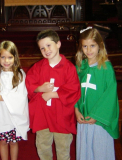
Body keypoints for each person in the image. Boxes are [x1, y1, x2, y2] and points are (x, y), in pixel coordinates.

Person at [25, 29, 81, 160]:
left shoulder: (69, 67)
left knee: (63, 147)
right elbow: (29, 85)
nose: (46, 50)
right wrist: (40, 88)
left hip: (61, 116)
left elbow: (74, 89)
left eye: (48, 45)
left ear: (58, 44)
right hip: (43, 115)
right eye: (42, 48)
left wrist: (53, 94)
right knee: (43, 146)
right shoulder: (37, 67)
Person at [75, 27, 119, 160]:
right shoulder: (80, 67)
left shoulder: (106, 68)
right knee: (85, 150)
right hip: (83, 118)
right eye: (85, 46)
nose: (88, 50)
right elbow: (75, 90)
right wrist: (76, 110)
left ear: (100, 45)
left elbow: (110, 95)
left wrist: (96, 115)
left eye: (92, 46)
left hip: (98, 121)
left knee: (100, 151)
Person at [0, 41, 30, 160]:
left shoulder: (19, 75)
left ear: (15, 57)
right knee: (3, 142)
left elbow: (21, 95)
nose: (6, 60)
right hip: (1, 116)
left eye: (10, 57)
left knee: (13, 142)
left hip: (13, 117)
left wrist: (2, 97)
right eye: (3, 57)